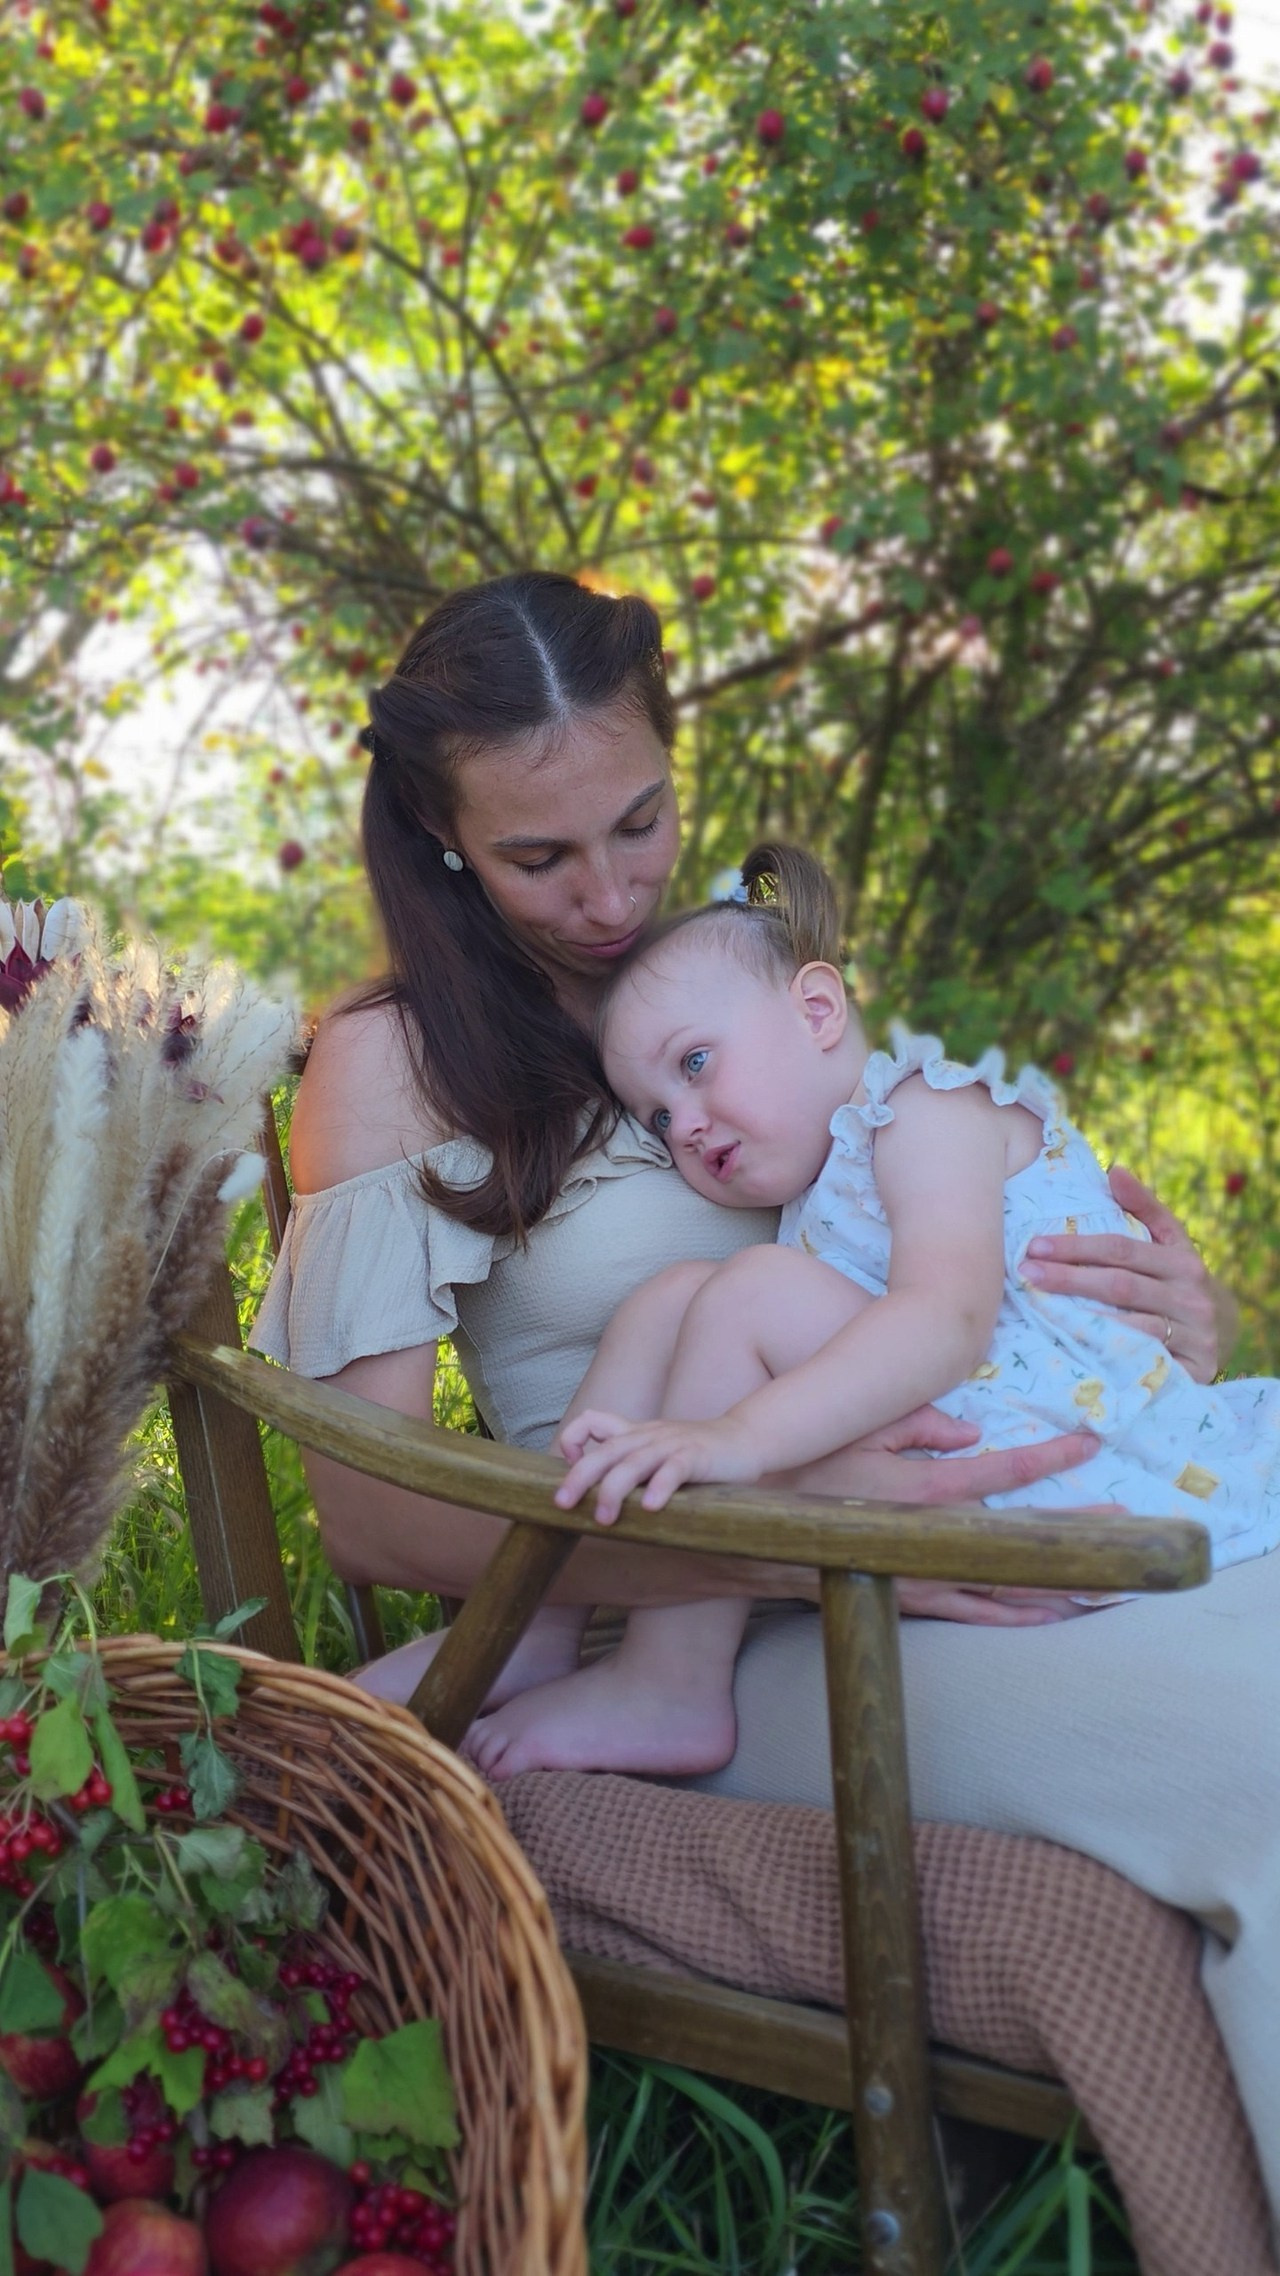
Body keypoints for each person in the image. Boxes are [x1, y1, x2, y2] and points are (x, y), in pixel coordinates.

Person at [249, 572, 1280, 2230]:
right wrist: (769, 1541)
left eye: (640, 822)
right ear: (441, 835)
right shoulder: (397, 1058)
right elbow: (368, 1506)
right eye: (541, 855)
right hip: (712, 1623)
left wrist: (1166, 1316)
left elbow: (936, 1265)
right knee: (1260, 1769)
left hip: (961, 1533)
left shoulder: (719, 981)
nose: (608, 893)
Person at [464, 841, 1280, 1782]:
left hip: (1057, 1449)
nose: (682, 1123)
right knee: (668, 1300)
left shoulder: (927, 1103)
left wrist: (735, 1439)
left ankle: (670, 1680)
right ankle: (539, 1616)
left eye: (695, 1063)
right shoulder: (829, 1184)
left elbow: (948, 1320)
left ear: (817, 1010)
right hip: (971, 1415)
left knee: (746, 1289)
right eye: (655, 1117)